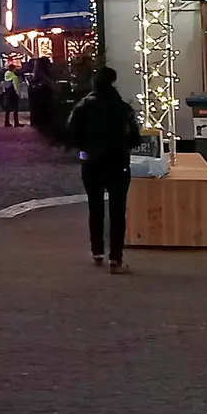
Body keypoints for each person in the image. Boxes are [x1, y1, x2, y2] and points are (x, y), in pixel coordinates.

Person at [64, 66, 140, 273]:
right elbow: (135, 137)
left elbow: (71, 134)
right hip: (118, 162)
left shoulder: (83, 107)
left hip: (92, 161)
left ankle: (97, 251)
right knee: (118, 210)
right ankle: (116, 257)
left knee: (95, 207)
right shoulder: (123, 108)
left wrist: (86, 146)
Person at [29, 57, 57, 136]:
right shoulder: (43, 73)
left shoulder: (36, 74)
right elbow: (48, 82)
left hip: (39, 96)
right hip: (44, 95)